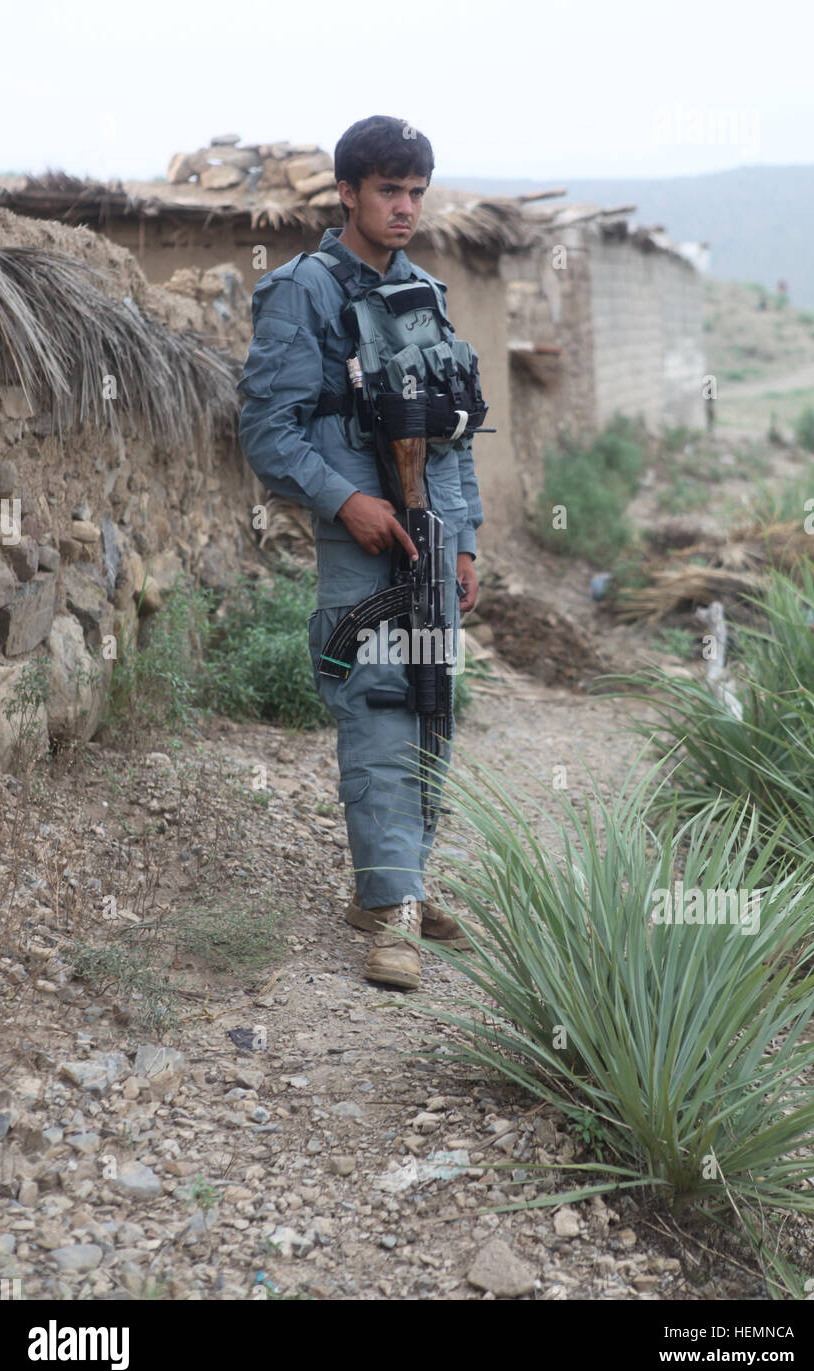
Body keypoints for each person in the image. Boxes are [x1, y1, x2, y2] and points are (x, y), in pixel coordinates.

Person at [237, 115, 485, 991]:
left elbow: (449, 437)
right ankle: (393, 916)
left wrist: (464, 540)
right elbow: (267, 430)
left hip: (430, 541)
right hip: (360, 544)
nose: (406, 206)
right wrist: (348, 499)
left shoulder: (426, 292)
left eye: (417, 191)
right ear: (347, 193)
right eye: (389, 190)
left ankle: (398, 887)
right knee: (379, 707)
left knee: (430, 707)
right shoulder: (302, 291)